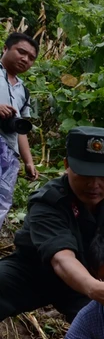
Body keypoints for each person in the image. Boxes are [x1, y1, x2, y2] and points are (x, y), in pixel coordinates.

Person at [0, 126, 104, 323]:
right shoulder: (48, 201)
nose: (94, 184)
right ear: (67, 165)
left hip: (89, 277)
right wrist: (95, 289)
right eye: (85, 175)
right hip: (36, 272)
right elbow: (61, 259)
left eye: (103, 176)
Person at [0, 32, 39, 227]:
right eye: (21, 52)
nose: (25, 59)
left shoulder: (24, 91)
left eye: (31, 58)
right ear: (5, 48)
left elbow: (20, 128)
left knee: (0, 202)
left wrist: (29, 162)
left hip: (8, 153)